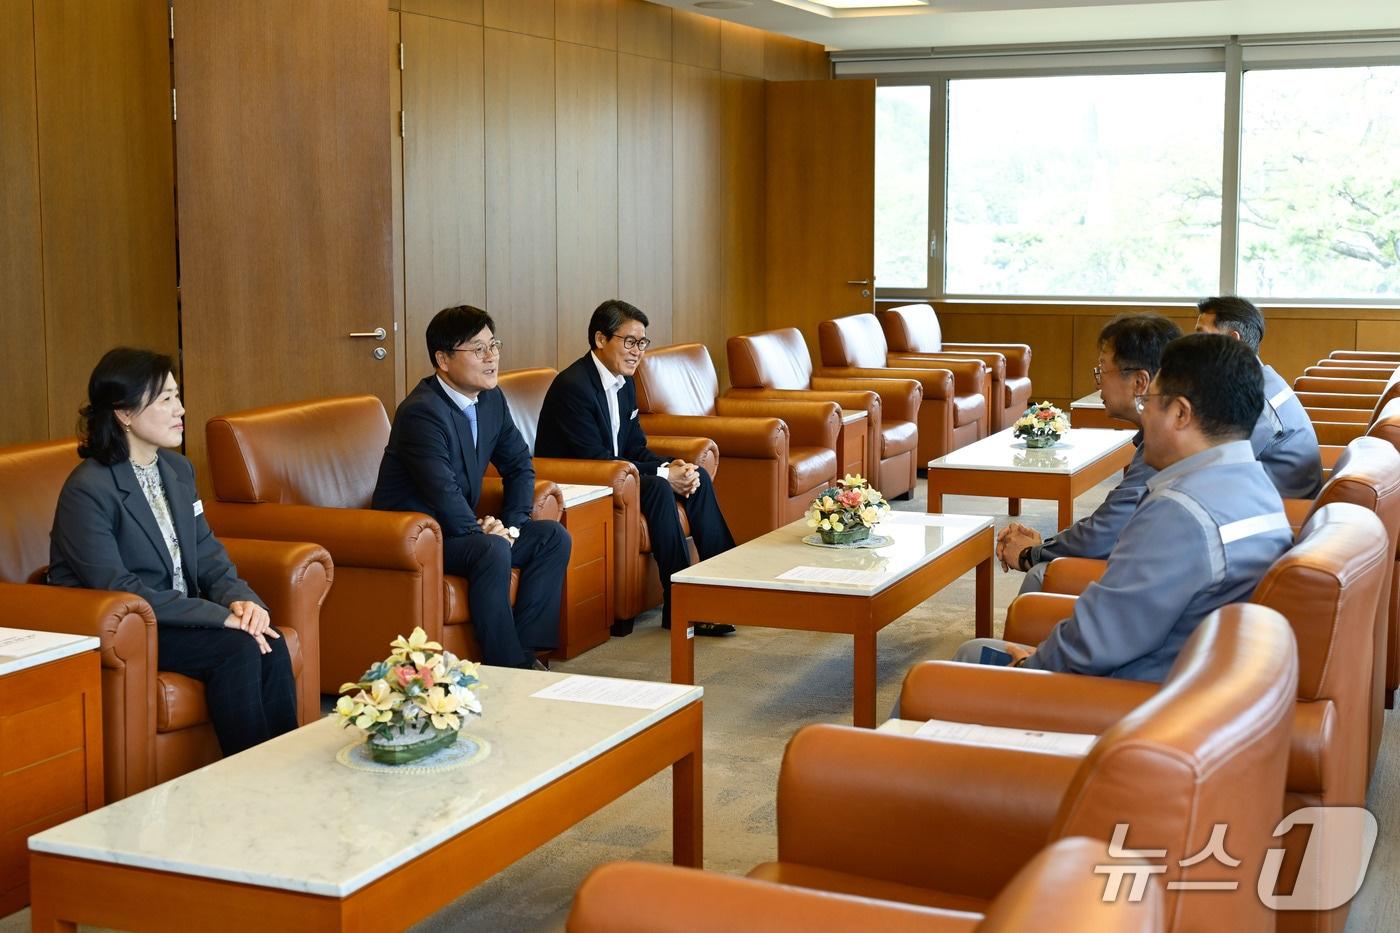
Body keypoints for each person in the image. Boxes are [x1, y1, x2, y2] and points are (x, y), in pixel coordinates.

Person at [953, 334, 1293, 681]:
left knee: (966, 658)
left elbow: (1097, 641)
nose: (1143, 414)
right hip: (1202, 676)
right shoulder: (1261, 488)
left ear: (1180, 413)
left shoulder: (1179, 512)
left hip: (1139, 696)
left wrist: (1031, 666)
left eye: (1148, 402)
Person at [49, 347, 297, 756]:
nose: (180, 409)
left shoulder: (177, 470)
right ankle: (249, 780)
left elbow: (208, 553)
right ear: (124, 413)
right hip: (128, 627)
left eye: (177, 396)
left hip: (177, 616)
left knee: (271, 641)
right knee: (236, 648)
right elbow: (117, 586)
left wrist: (242, 602)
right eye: (165, 399)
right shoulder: (88, 489)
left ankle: (287, 772)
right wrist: (219, 618)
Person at [373, 305, 571, 669]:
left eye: (493, 345)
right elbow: (442, 490)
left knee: (552, 537)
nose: (491, 357)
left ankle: (529, 654)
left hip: (460, 529)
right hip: (418, 539)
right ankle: (507, 666)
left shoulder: (490, 399)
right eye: (478, 349)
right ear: (443, 360)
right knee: (490, 550)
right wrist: (484, 534)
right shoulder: (421, 412)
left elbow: (519, 464)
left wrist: (511, 527)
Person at [535, 299, 736, 638]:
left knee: (697, 474)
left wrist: (673, 467)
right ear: (600, 339)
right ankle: (680, 605)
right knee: (657, 486)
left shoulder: (624, 381)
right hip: (580, 483)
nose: (637, 352)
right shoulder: (574, 387)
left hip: (619, 476)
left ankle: (726, 585)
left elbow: (634, 448)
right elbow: (595, 459)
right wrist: (663, 475)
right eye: (629, 341)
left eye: (642, 343)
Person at [997, 313, 1181, 595]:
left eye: (1102, 370)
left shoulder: (1165, 448)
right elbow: (1108, 523)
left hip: (1153, 583)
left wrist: (1030, 554)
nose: (1097, 383)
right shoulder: (1169, 435)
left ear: (1140, 383)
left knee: (1041, 575)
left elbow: (1104, 534)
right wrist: (1045, 546)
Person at [1195, 296, 1323, 498]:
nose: (1193, 345)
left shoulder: (1256, 399)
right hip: (1255, 494)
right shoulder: (1255, 380)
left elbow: (1213, 463)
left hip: (1284, 509)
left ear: (1232, 340)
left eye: (1201, 336)